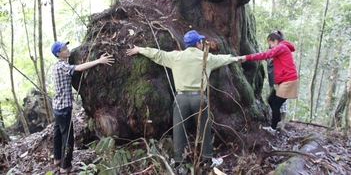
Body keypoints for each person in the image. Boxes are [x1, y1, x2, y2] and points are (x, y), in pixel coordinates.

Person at [126, 30, 238, 165]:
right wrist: (239, 58)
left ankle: (178, 160)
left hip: (181, 99)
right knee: (204, 128)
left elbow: (157, 54)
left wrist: (140, 49)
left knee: (178, 130)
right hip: (199, 98)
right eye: (200, 42)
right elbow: (225, 58)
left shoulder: (176, 57)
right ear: (198, 44)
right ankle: (207, 160)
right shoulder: (206, 57)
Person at [51, 41, 114, 174]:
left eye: (67, 47)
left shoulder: (56, 65)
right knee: (67, 137)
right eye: (64, 49)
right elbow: (79, 68)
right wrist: (99, 61)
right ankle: (65, 166)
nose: (68, 50)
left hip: (57, 106)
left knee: (57, 134)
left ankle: (57, 159)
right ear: (59, 53)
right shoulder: (62, 65)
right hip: (63, 108)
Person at [237, 30, 298, 134]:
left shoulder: (281, 47)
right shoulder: (282, 48)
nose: (270, 46)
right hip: (282, 81)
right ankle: (277, 122)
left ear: (275, 41)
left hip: (288, 80)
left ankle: (273, 129)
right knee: (271, 100)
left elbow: (265, 55)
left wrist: (246, 57)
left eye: (270, 44)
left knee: (276, 105)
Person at [267, 57, 287, 130]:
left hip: (283, 84)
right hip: (274, 84)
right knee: (271, 101)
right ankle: (277, 122)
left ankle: (278, 126)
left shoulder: (282, 58)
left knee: (279, 105)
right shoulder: (270, 56)